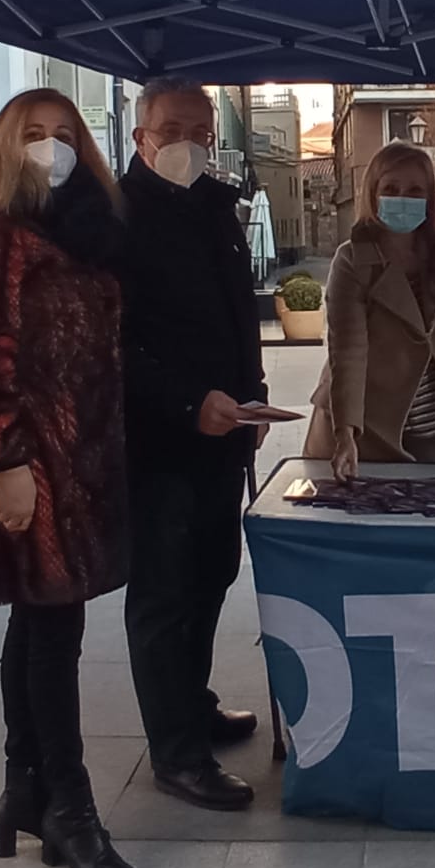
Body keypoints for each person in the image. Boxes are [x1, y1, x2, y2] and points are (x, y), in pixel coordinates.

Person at [0, 88, 136, 868]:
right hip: (27, 464)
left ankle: (26, 786)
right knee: (54, 632)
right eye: (33, 135)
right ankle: (70, 807)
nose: (51, 148)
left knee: (43, 622)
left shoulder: (81, 229)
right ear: (1, 148)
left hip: (78, 462)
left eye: (63, 135)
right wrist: (6, 462)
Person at [109, 77, 267, 813]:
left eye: (202, 132)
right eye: (172, 130)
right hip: (159, 441)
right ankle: (175, 752)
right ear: (141, 136)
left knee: (211, 574)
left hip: (224, 435)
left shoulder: (215, 206)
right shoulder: (116, 217)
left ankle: (192, 703)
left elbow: (237, 312)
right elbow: (112, 344)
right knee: (165, 594)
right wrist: (184, 402)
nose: (190, 145)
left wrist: (252, 392)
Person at [305, 141, 435, 475]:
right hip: (368, 431)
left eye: (415, 190)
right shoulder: (353, 258)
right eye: (391, 188)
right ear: (373, 194)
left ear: (430, 198)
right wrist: (345, 433)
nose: (403, 197)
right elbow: (348, 352)